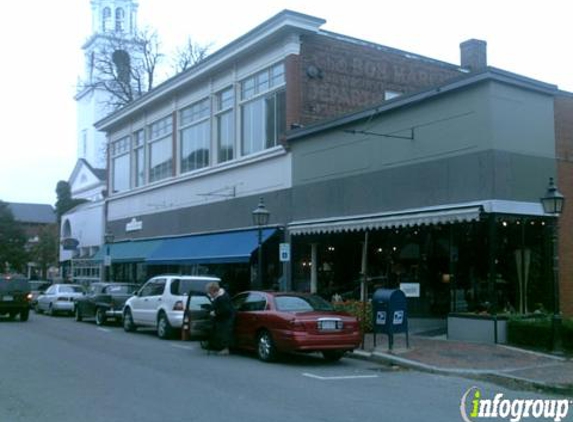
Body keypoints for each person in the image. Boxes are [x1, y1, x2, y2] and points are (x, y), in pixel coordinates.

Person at [205, 281, 236, 355]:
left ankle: (225, 349)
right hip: (224, 318)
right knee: (221, 332)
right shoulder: (220, 296)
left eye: (210, 292)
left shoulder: (222, 297)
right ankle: (220, 348)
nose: (209, 294)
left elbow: (225, 309)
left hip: (226, 319)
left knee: (224, 333)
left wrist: (215, 313)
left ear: (213, 290)